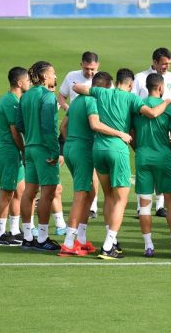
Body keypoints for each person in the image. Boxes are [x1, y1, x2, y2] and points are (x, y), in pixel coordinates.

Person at [73, 69, 171, 260]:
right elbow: (152, 113)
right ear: (131, 84)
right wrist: (167, 102)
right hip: (117, 150)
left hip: (98, 149)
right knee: (121, 199)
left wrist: (88, 89)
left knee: (109, 196)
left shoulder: (102, 92)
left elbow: (77, 87)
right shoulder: (131, 98)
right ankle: (108, 244)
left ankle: (113, 240)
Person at [58, 72, 129, 257]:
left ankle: (81, 240)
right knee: (81, 195)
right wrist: (120, 133)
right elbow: (95, 125)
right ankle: (68, 243)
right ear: (104, 88)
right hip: (83, 150)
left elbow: (63, 127)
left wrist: (72, 142)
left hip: (70, 147)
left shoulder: (76, 101)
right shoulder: (92, 100)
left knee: (89, 193)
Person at [132, 73, 171, 257]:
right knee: (170, 201)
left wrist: (139, 150)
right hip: (164, 158)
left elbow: (131, 134)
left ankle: (148, 246)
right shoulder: (169, 108)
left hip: (143, 157)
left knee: (144, 204)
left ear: (147, 87)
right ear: (161, 88)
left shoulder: (137, 105)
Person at [132, 47, 171, 218]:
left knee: (160, 167)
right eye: (163, 63)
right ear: (154, 62)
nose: (166, 67)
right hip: (144, 129)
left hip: (167, 126)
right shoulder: (140, 78)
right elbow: (132, 102)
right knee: (147, 168)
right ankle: (141, 206)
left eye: (169, 63)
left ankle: (160, 205)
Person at [16, 61, 61, 252]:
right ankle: (42, 238)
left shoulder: (25, 96)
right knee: (48, 193)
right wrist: (55, 151)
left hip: (30, 148)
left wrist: (31, 134)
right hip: (44, 150)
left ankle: (27, 237)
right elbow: (49, 127)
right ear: (44, 76)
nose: (55, 76)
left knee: (29, 192)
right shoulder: (47, 96)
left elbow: (19, 124)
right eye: (53, 73)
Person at [57, 51, 101, 219]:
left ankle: (92, 205)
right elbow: (61, 96)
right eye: (87, 68)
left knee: (92, 169)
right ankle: (47, 191)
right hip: (72, 126)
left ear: (98, 66)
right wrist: (68, 109)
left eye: (93, 69)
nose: (90, 72)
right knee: (61, 159)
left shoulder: (102, 81)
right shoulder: (71, 76)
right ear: (81, 64)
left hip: (91, 128)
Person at [0, 67, 30, 246]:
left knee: (19, 192)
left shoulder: (9, 100)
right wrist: (24, 150)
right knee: (6, 193)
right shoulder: (11, 102)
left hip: (10, 152)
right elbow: (15, 132)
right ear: (19, 83)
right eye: (27, 80)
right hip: (9, 153)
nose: (29, 83)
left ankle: (14, 231)